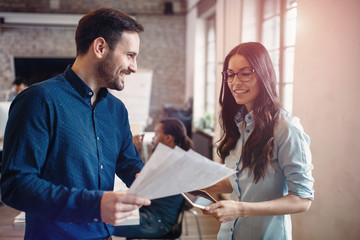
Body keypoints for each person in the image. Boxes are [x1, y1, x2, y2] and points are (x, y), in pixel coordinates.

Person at [0, 8, 151, 239]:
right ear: (100, 48)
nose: (134, 67)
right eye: (130, 55)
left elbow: (128, 164)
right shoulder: (38, 100)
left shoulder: (116, 110)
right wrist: (95, 204)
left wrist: (145, 176)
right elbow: (15, 186)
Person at [202, 42, 314, 240]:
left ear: (264, 75)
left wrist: (240, 209)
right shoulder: (239, 122)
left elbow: (302, 199)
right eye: (230, 74)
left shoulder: (286, 128)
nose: (235, 83)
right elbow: (238, 181)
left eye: (245, 73)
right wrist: (196, 185)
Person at [113, 118, 194, 238]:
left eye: (156, 134)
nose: (152, 138)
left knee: (103, 223)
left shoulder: (171, 162)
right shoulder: (174, 158)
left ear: (168, 138)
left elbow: (139, 187)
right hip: (150, 213)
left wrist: (133, 150)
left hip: (156, 222)